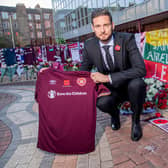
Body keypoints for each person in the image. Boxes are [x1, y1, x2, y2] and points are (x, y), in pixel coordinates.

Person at [80, 8, 147, 141]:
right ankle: (115, 114)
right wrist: (53, 74)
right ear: (93, 28)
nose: (102, 30)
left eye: (106, 25)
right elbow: (82, 72)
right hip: (110, 90)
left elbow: (140, 69)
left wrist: (107, 78)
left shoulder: (127, 39)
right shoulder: (89, 45)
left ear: (113, 25)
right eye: (98, 26)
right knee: (101, 102)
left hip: (129, 86)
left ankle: (136, 122)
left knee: (138, 84)